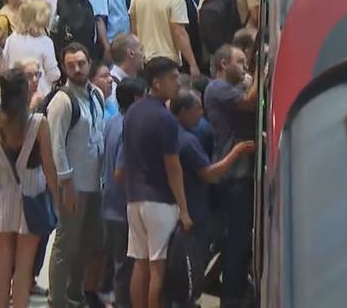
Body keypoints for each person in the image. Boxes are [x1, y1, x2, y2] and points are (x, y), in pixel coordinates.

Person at [0, 69, 63, 308]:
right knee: (24, 266)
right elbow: (48, 167)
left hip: (1, 194)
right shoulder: (38, 124)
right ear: (25, 93)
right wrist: (57, 199)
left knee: (3, 259)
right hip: (32, 193)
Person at [120, 58, 191, 308]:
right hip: (159, 200)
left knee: (140, 263)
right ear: (156, 83)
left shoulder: (132, 113)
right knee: (158, 268)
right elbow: (173, 167)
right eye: (173, 78)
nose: (177, 83)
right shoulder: (165, 118)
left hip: (134, 199)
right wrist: (183, 208)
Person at [47, 44, 109, 308]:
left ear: (89, 63)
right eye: (70, 65)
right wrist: (66, 183)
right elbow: (55, 145)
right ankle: (58, 300)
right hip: (73, 184)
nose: (76, 68)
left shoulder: (96, 94)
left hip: (96, 181)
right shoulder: (62, 101)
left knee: (89, 241)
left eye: (81, 63)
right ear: (64, 68)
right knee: (66, 244)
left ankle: (76, 294)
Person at [170, 89, 253, 270]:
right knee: (193, 259)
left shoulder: (172, 134)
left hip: (182, 205)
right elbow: (209, 173)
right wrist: (236, 152)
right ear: (184, 111)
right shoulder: (187, 141)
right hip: (193, 207)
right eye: (197, 109)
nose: (202, 113)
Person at [204, 45, 260, 308]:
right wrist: (264, 70)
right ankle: (232, 300)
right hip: (232, 176)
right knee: (236, 240)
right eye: (240, 61)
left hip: (242, 173)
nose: (245, 66)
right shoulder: (218, 88)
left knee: (238, 240)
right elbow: (250, 102)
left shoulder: (234, 86)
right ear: (224, 64)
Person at [102, 76, 146, 308]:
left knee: (121, 267)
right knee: (126, 269)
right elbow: (121, 172)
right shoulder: (131, 126)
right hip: (123, 206)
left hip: (110, 204)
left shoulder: (112, 122)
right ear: (138, 99)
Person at [129, 0, 200, 76]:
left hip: (144, 61)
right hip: (167, 63)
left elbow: (134, 33)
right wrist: (193, 64)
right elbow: (179, 33)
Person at [3, 0, 62, 98]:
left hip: (16, 93)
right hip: (40, 93)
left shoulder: (11, 39)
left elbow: (5, 63)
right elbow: (53, 74)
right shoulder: (45, 42)